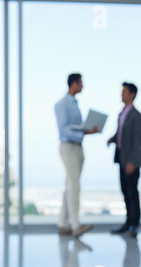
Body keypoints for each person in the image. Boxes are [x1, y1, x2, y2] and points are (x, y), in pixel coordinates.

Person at [54, 73, 98, 237]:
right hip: (68, 146)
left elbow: (75, 127)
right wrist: (83, 132)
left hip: (78, 146)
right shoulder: (62, 104)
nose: (83, 86)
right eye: (81, 83)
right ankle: (76, 225)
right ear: (74, 84)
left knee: (70, 185)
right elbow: (64, 129)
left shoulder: (75, 103)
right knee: (74, 185)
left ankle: (63, 223)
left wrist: (88, 131)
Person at [108, 82, 141, 238]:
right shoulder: (122, 113)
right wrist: (112, 139)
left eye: (124, 91)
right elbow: (120, 134)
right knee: (125, 192)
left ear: (132, 94)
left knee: (132, 193)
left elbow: (137, 141)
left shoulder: (137, 116)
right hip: (121, 159)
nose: (121, 94)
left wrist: (131, 162)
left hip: (131, 162)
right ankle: (128, 222)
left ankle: (135, 225)